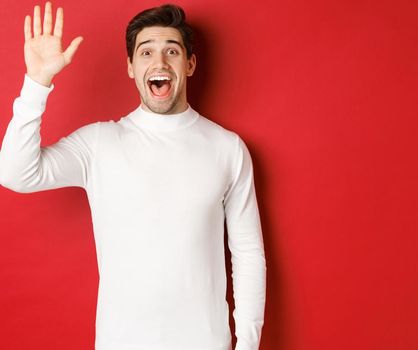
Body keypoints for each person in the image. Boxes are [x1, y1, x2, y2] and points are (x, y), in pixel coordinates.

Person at [0, 2, 267, 349]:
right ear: (130, 66)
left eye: (172, 51)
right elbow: (15, 173)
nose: (159, 62)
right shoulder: (98, 143)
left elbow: (247, 253)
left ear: (189, 64)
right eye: (146, 52)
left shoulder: (227, 148)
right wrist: (37, 82)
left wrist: (246, 345)